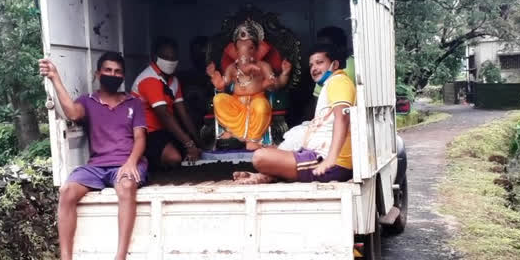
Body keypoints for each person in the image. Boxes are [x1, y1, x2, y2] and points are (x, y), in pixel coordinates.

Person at [39, 52, 147, 260]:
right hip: (97, 165)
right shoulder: (88, 101)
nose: (112, 75)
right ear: (98, 74)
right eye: (108, 70)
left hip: (126, 162)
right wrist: (55, 77)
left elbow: (140, 138)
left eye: (118, 72)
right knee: (66, 191)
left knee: (126, 186)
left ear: (123, 76)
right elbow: (71, 112)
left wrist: (131, 162)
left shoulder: (133, 103)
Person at [233, 42, 355, 184]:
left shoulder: (339, 81)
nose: (314, 68)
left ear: (334, 65)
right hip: (317, 155)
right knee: (273, 151)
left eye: (319, 63)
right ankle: (266, 176)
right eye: (311, 65)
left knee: (260, 157)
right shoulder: (330, 84)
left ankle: (267, 175)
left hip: (329, 162)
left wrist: (331, 159)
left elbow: (343, 117)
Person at [207, 18, 292, 149]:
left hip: (256, 100)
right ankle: (233, 132)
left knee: (261, 107)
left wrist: (284, 74)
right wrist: (215, 77)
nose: (244, 53)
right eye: (240, 49)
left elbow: (276, 84)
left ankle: (253, 138)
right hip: (237, 103)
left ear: (257, 50)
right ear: (235, 51)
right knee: (218, 100)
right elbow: (223, 85)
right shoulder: (232, 68)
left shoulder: (263, 66)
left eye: (250, 48)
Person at [132, 37, 202, 169]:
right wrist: (189, 144)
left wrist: (197, 141)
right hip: (147, 133)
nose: (170, 61)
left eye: (173, 57)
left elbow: (183, 113)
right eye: (165, 57)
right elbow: (164, 114)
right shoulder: (149, 79)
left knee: (195, 154)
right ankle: (150, 165)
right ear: (154, 57)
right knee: (174, 158)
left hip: (165, 130)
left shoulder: (173, 80)